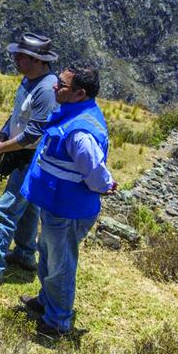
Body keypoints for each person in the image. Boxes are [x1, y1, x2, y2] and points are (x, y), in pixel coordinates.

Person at [20, 65, 117, 338]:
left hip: (67, 209)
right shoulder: (73, 113)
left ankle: (58, 322)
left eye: (61, 85)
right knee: (49, 256)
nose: (54, 87)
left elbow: (94, 171)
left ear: (79, 93)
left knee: (61, 266)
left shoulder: (80, 133)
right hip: (55, 204)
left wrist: (106, 184)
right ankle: (46, 301)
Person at [0, 33, 59, 292]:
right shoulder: (30, 81)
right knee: (28, 208)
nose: (16, 60)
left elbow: (34, 134)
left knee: (6, 211)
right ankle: (25, 254)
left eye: (23, 56)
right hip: (24, 157)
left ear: (39, 61)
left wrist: (2, 146)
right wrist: (4, 132)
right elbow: (18, 115)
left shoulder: (46, 90)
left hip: (31, 160)